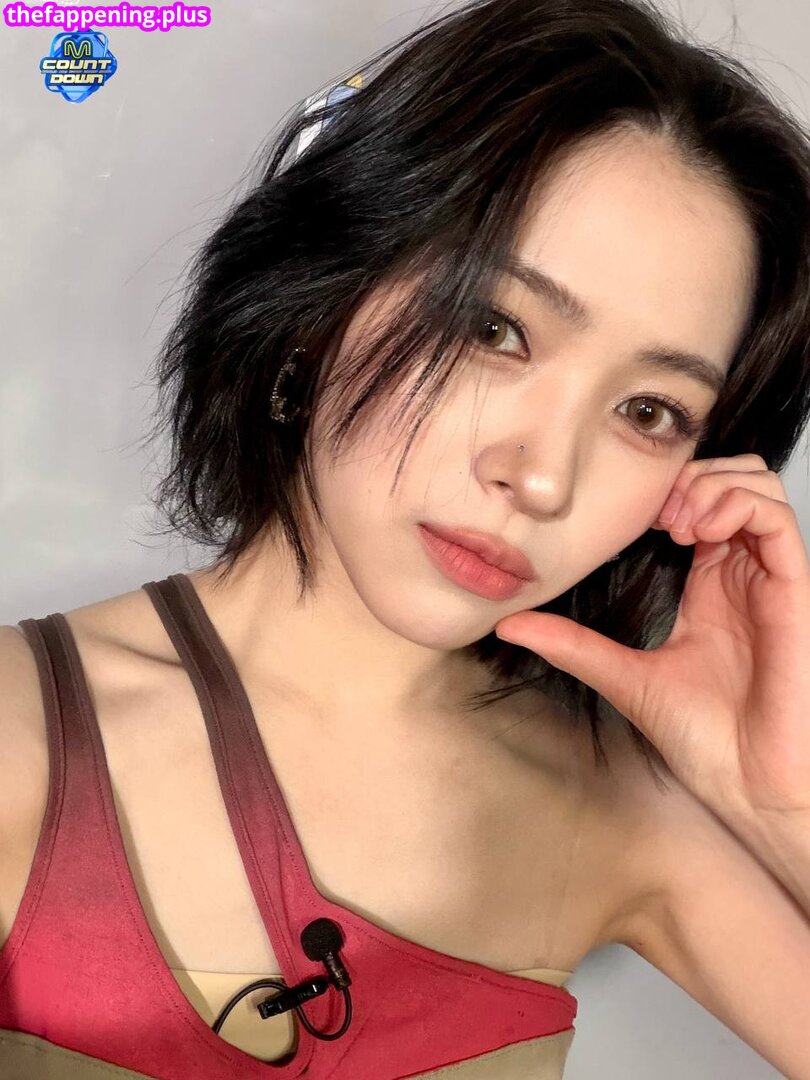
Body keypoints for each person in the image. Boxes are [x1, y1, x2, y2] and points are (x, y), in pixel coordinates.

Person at [2, 0, 810, 1076]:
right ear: (320, 292)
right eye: (494, 329)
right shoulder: (23, 735)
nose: (542, 477)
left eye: (648, 410)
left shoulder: (622, 809)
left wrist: (784, 806)